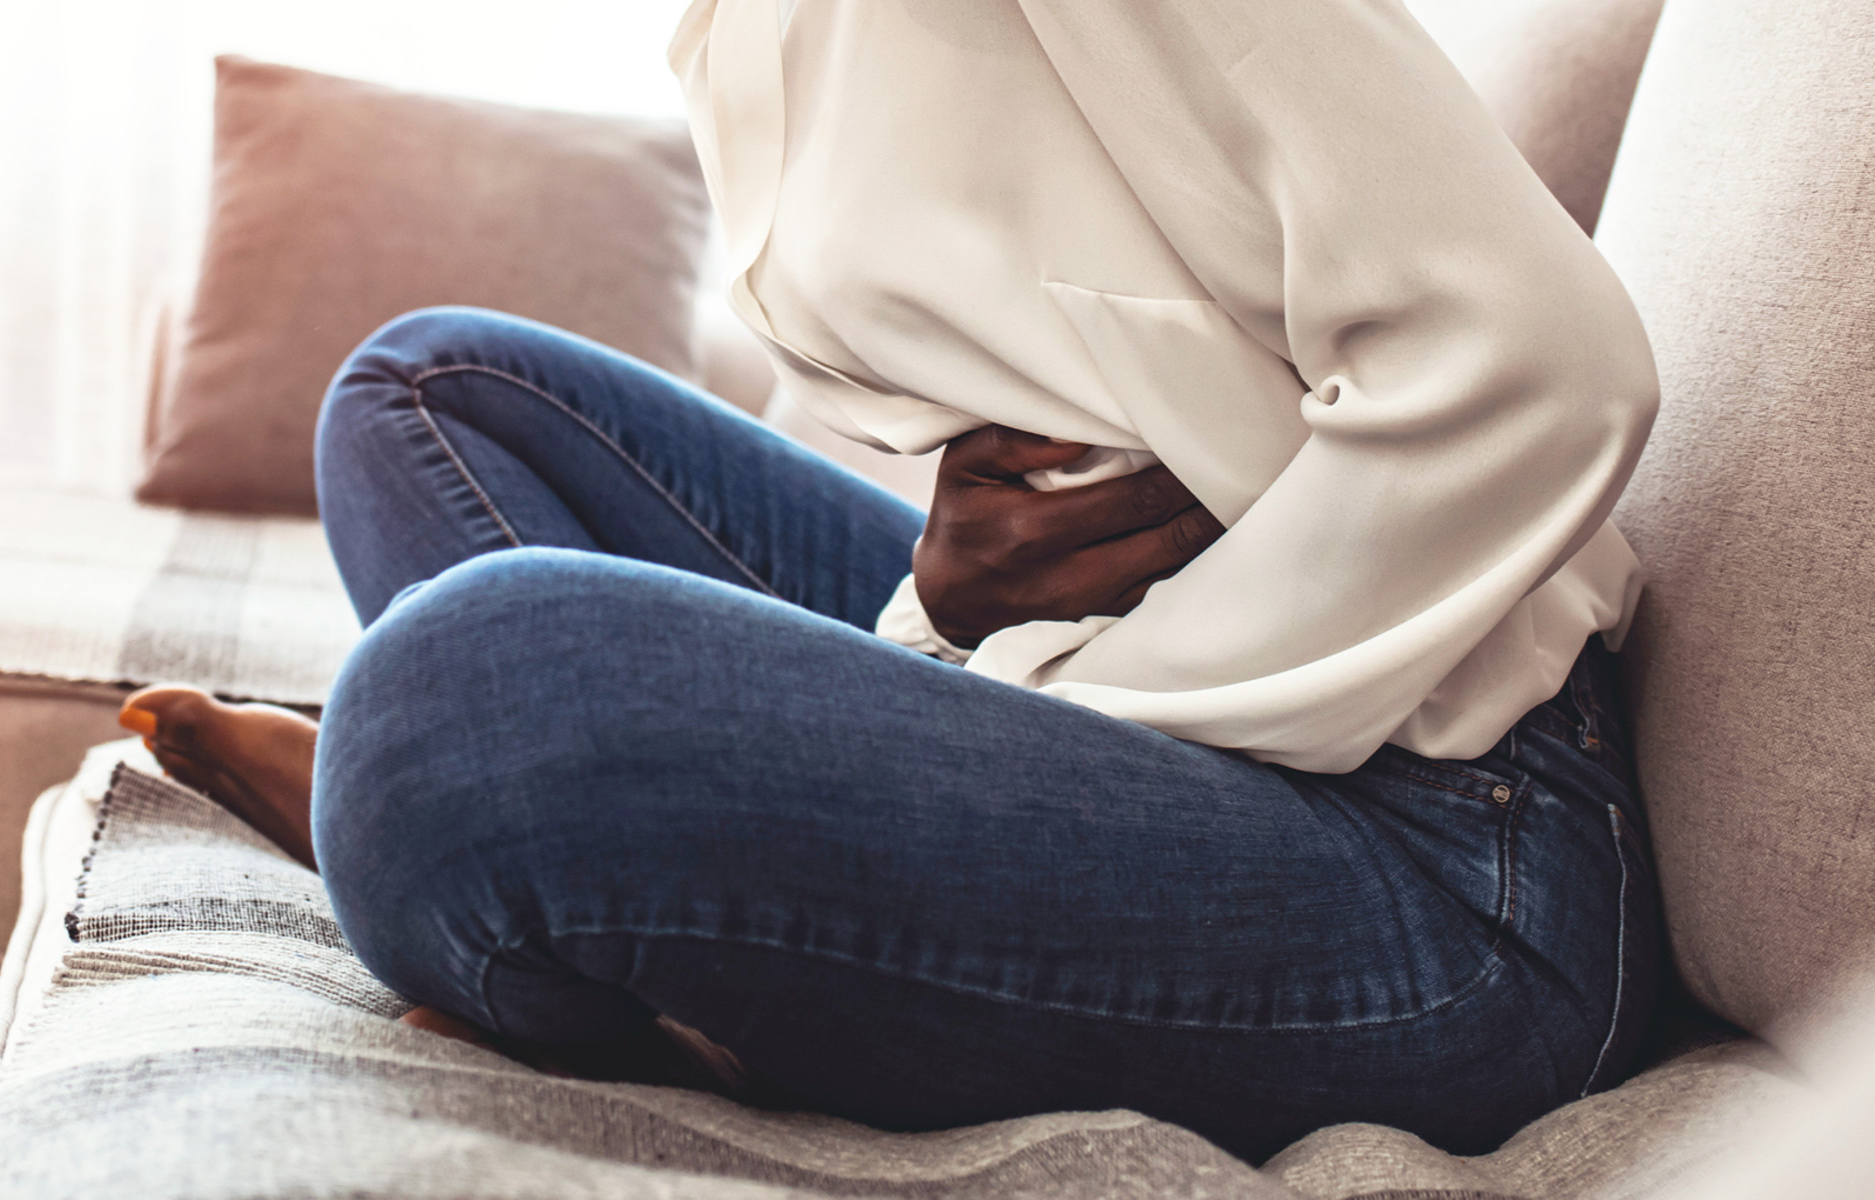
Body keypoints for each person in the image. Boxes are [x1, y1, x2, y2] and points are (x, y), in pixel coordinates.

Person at [116, 0, 1662, 1162]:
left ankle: (574, 918)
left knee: (455, 707)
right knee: (427, 398)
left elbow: (1541, 364)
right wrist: (942, 616)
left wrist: (1029, 688)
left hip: (1446, 847)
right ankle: (594, 897)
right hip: (1126, 676)